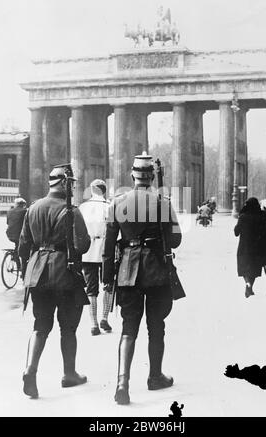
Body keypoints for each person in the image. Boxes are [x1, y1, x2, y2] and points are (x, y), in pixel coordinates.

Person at [103, 151, 182, 405]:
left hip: (127, 272)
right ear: (151, 176)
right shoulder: (163, 201)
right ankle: (155, 376)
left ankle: (122, 383)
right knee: (156, 326)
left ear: (132, 175)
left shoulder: (117, 203)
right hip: (156, 271)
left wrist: (107, 278)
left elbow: (107, 246)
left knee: (128, 329)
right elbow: (175, 240)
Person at [18, 164, 91, 399]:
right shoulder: (72, 211)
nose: (73, 188)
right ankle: (69, 374)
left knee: (40, 325)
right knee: (68, 327)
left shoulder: (33, 208)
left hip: (37, 273)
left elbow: (23, 246)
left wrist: (27, 271)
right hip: (65, 274)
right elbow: (83, 245)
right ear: (65, 183)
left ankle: (30, 370)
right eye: (72, 184)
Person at [79, 179, 112, 336]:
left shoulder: (83, 207)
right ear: (104, 191)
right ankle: (104, 317)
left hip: (87, 251)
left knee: (91, 289)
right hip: (106, 250)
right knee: (108, 284)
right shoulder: (109, 207)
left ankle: (93, 324)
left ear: (92, 191)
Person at [234, 197, 265, 298]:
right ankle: (250, 286)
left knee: (244, 266)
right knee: (254, 267)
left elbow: (236, 232)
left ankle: (247, 283)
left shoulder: (243, 216)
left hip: (244, 246)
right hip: (257, 246)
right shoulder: (261, 216)